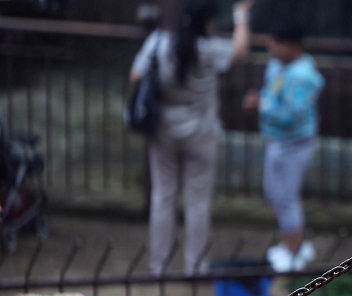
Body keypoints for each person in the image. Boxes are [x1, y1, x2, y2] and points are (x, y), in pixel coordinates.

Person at [130, 0, 253, 276]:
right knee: (198, 201)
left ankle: (159, 266)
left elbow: (135, 74)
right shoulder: (209, 50)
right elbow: (240, 49)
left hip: (163, 130)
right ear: (208, 23)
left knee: (163, 197)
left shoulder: (160, 42)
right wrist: (241, 16)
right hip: (201, 132)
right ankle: (195, 266)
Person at [243, 22, 325, 273]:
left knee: (286, 198)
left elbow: (292, 114)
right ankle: (292, 242)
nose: (272, 48)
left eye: (278, 44)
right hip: (277, 141)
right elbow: (272, 93)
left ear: (293, 47)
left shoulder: (302, 76)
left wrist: (262, 105)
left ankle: (294, 250)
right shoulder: (278, 66)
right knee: (274, 193)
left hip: (295, 144)